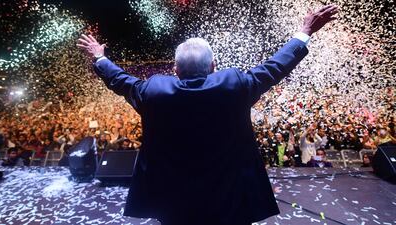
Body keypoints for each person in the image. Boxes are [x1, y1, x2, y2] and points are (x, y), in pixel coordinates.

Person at [77, 5, 338, 225]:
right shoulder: (235, 86)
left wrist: (100, 57)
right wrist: (304, 32)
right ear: (214, 67)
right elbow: (274, 67)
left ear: (175, 70)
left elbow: (120, 80)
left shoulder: (153, 91)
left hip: (173, 202)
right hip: (230, 202)